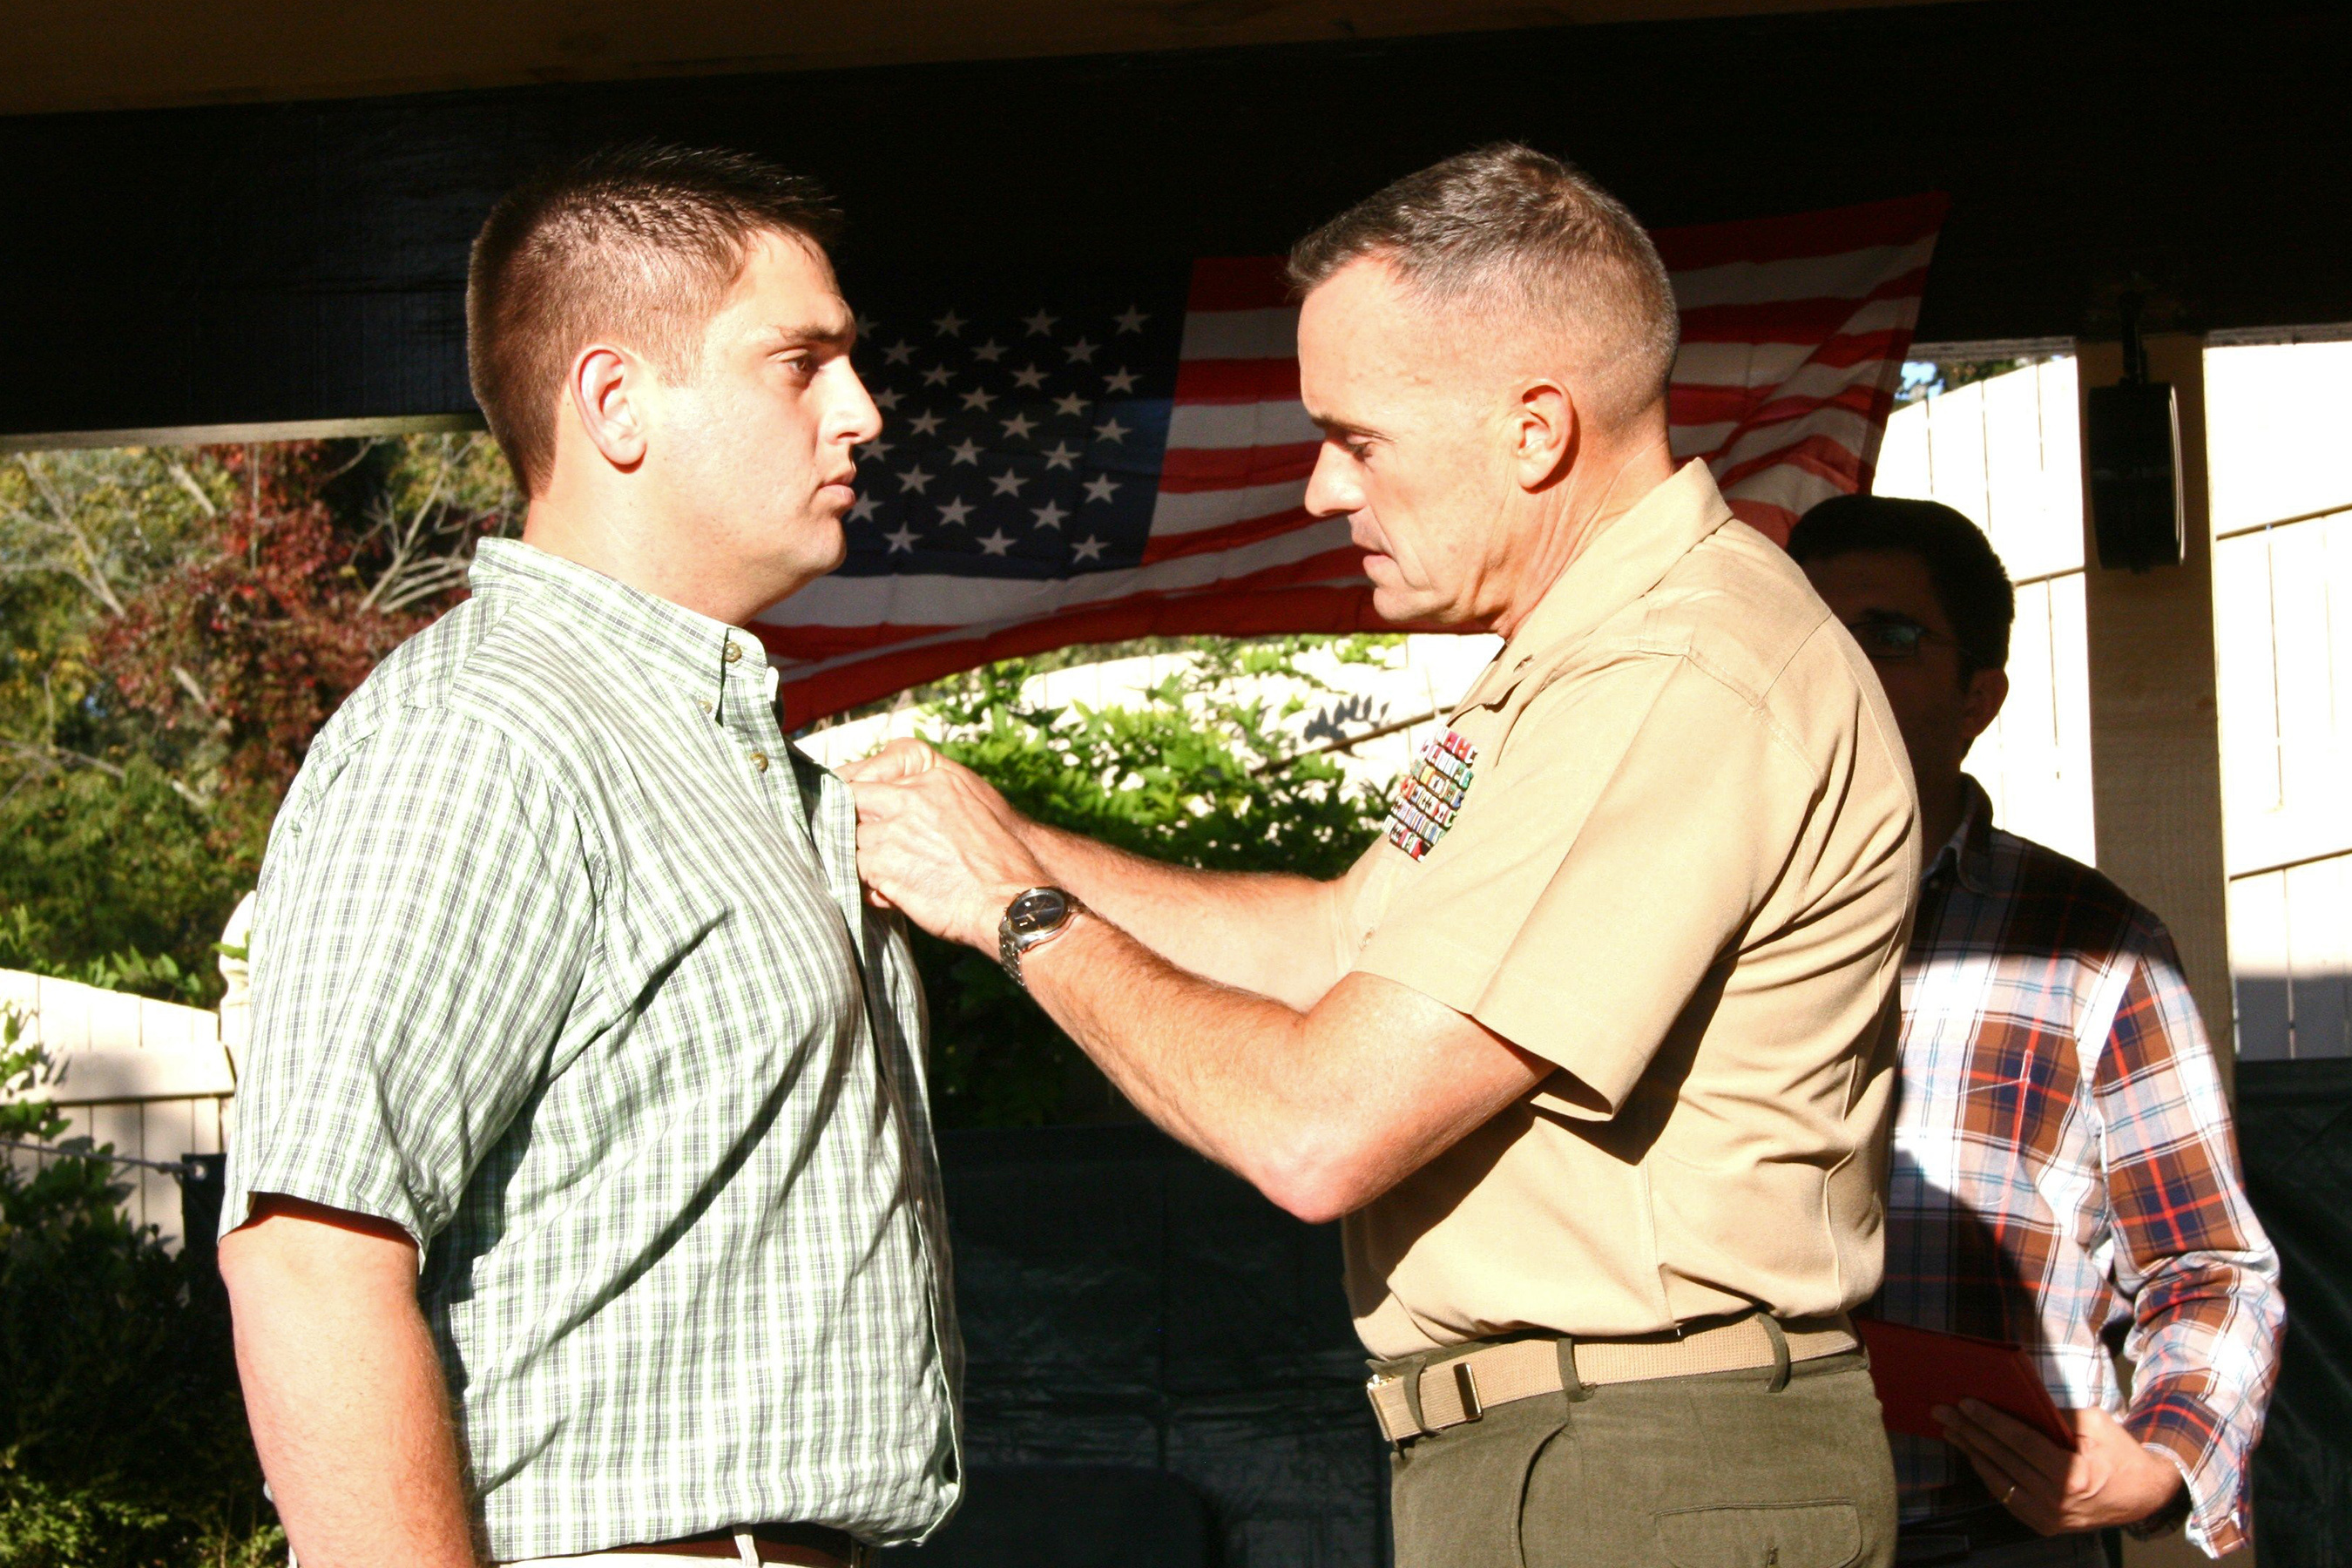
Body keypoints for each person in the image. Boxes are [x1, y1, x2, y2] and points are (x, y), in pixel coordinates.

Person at [844, 145, 1919, 1568]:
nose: (1315, 491)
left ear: (1534, 431)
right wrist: (1011, 836)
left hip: (1642, 1463)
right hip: (1585, 1455)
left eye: (1356, 437)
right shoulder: (1582, 658)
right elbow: (1338, 950)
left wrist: (1014, 909)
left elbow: (1320, 1128)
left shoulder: (1674, 671)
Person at [216, 145, 960, 1568]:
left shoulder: (738, 762)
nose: (861, 413)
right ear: (615, 402)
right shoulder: (484, 736)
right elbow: (312, 1258)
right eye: (800, 363)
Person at [1789, 495, 2284, 1565]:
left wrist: (2158, 1456)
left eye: (1889, 634)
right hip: (1728, 1525)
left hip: (1994, 1539)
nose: (1836, 662)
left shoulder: (2092, 946)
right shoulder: (1672, 912)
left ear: (1982, 696)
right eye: (1805, 627)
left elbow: (2206, 1266)